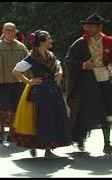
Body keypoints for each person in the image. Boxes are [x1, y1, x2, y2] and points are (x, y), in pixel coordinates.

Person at [65, 13, 112, 154]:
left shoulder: (110, 42)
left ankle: (107, 144)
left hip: (105, 79)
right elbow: (69, 61)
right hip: (87, 82)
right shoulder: (80, 43)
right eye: (87, 25)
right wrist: (84, 65)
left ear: (99, 27)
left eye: (91, 25)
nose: (87, 28)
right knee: (84, 112)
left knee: (109, 111)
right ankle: (80, 140)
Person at [12, 30, 71, 159]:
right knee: (42, 118)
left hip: (53, 91)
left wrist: (60, 73)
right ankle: (38, 145)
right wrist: (28, 81)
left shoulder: (51, 55)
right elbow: (16, 71)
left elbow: (58, 65)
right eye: (49, 38)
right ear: (42, 41)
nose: (51, 41)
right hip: (39, 92)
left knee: (54, 117)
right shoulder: (32, 57)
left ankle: (48, 149)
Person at [0, 22, 29, 143]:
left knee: (15, 108)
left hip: (18, 82)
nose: (10, 33)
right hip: (4, 82)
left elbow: (28, 64)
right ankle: (1, 129)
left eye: (13, 30)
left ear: (16, 31)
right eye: (8, 30)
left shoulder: (21, 47)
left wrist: (28, 81)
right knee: (4, 107)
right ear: (3, 31)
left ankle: (12, 132)